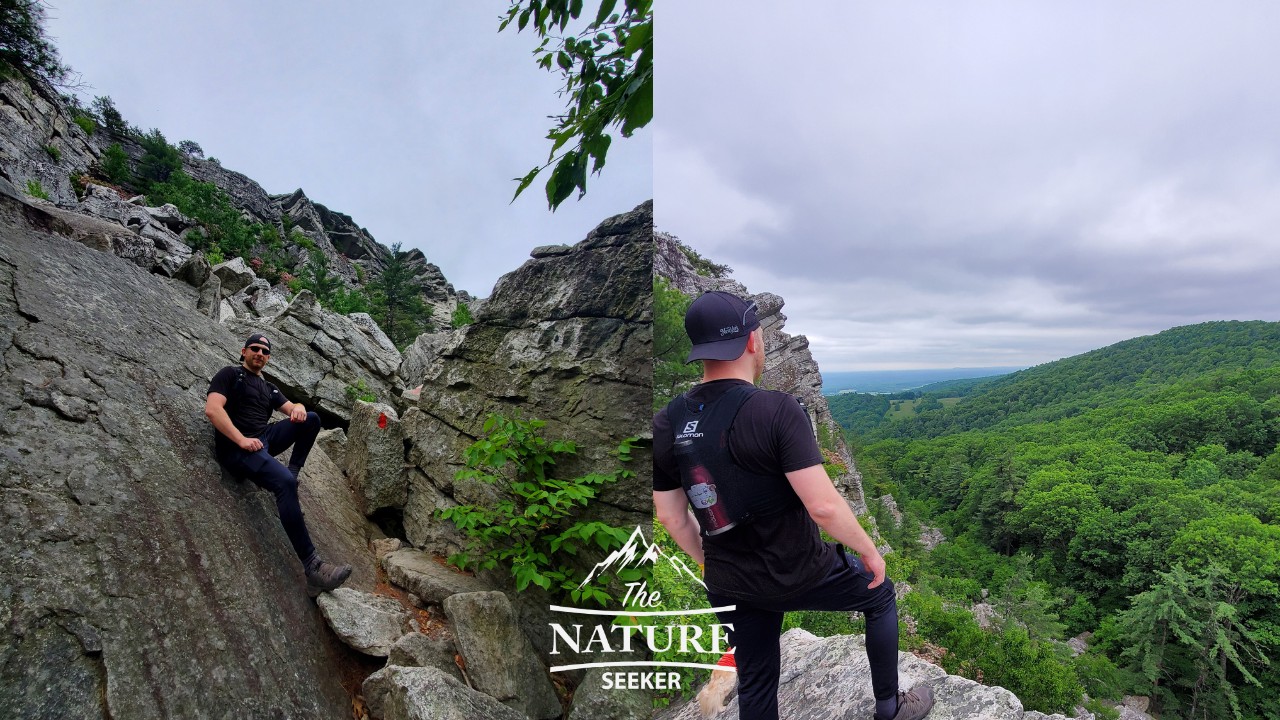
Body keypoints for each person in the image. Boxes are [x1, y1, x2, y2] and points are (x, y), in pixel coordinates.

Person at [652, 291, 935, 720]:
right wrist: (870, 552)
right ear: (752, 341)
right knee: (880, 596)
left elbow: (671, 516)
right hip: (800, 572)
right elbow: (822, 506)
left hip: (730, 583)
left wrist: (710, 565)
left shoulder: (667, 420)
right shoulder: (775, 409)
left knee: (759, 680)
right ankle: (889, 708)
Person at [205, 332, 351, 595]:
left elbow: (291, 407)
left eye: (264, 351)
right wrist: (240, 440)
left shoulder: (268, 387)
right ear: (244, 351)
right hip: (236, 449)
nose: (259, 353)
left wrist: (296, 407)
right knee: (282, 483)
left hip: (262, 442)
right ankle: (313, 567)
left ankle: (293, 472)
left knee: (312, 419)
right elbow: (213, 409)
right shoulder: (229, 374)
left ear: (268, 358)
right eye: (255, 348)